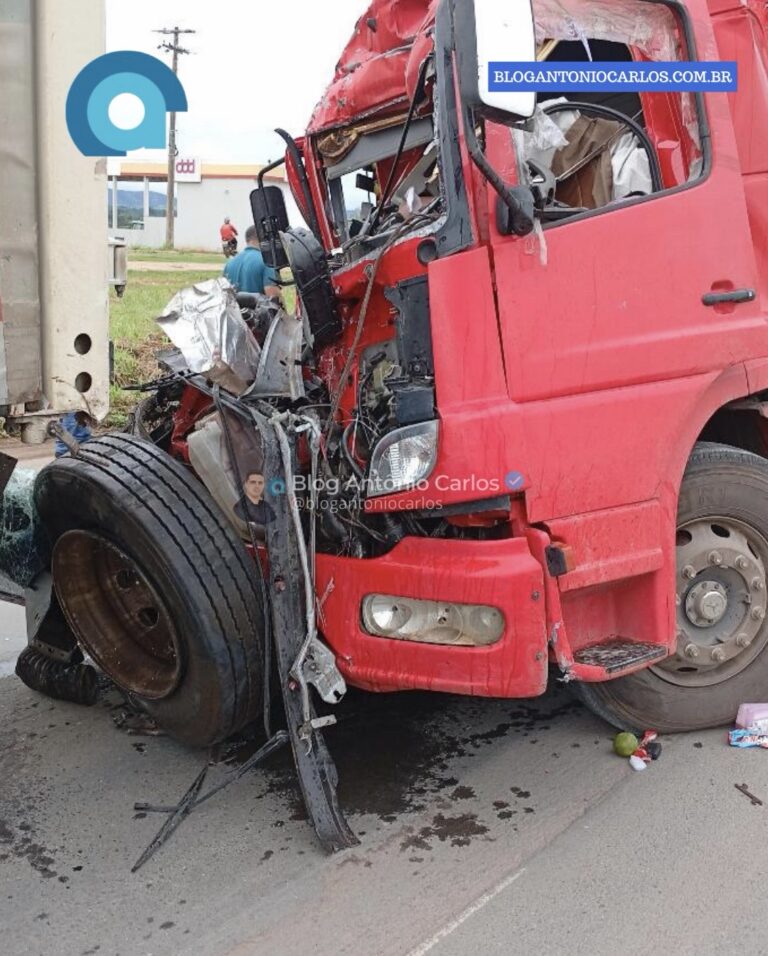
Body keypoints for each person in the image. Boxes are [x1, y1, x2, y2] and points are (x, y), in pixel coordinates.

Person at [223, 225, 281, 297]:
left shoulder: (229, 263)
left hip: (234, 308)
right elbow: (273, 295)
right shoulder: (267, 262)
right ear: (263, 238)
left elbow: (225, 294)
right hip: (260, 308)